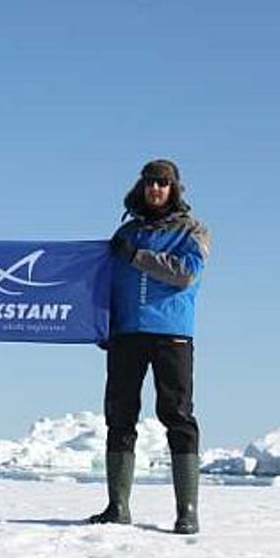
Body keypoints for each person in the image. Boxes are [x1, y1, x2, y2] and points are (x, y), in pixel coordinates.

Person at [89, 159, 211, 534]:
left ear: (174, 188)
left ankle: (187, 510)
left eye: (163, 182)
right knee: (119, 414)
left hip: (171, 332)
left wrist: (136, 257)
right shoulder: (127, 232)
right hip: (126, 333)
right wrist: (101, 323)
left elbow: (184, 274)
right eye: (150, 182)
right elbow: (103, 279)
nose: (155, 188)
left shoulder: (193, 231)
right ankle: (118, 505)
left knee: (177, 414)